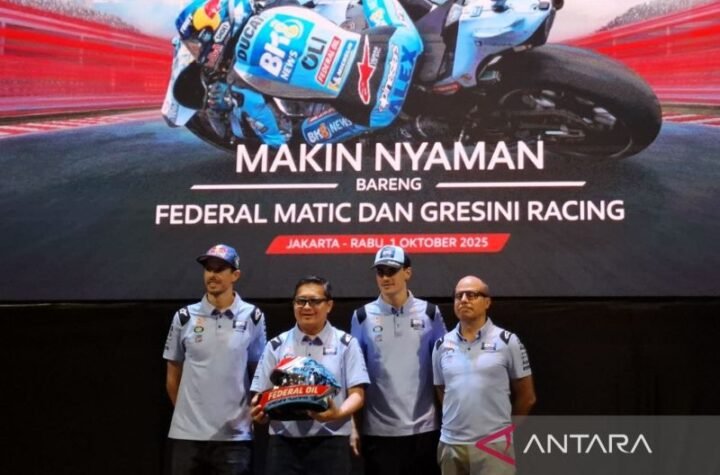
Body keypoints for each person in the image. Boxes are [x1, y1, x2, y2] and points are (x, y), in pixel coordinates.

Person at [174, 0, 424, 146]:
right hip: (401, 46)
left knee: (303, 136)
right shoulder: (274, 8)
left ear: (216, 32)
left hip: (377, 109)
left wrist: (231, 103)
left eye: (196, 45)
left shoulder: (240, 79)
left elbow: (276, 137)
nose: (199, 54)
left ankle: (403, 133)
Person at [250, 275, 370, 475]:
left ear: (329, 305)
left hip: (331, 441)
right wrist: (259, 411)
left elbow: (357, 394)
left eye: (314, 301)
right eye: (301, 301)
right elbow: (260, 395)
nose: (306, 307)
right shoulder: (276, 345)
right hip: (283, 444)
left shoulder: (346, 344)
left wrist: (338, 413)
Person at [163, 244, 267, 475]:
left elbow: (259, 373)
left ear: (235, 275)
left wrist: (252, 413)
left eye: (220, 269)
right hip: (187, 436)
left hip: (235, 437)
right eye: (208, 269)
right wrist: (187, 416)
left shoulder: (253, 316)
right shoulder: (184, 317)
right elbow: (172, 374)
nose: (212, 274)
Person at [350, 245, 446, 475]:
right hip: (378, 431)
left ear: (407, 273)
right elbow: (353, 376)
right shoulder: (362, 316)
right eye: (380, 272)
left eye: (391, 271)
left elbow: (445, 369)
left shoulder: (430, 313)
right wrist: (353, 426)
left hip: (425, 428)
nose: (385, 278)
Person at [432, 276, 536, 475]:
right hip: (451, 445)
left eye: (471, 295)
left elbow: (527, 396)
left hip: (494, 445)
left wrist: (503, 432)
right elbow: (442, 389)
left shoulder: (508, 341)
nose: (464, 300)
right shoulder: (441, 345)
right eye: (459, 296)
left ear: (487, 302)